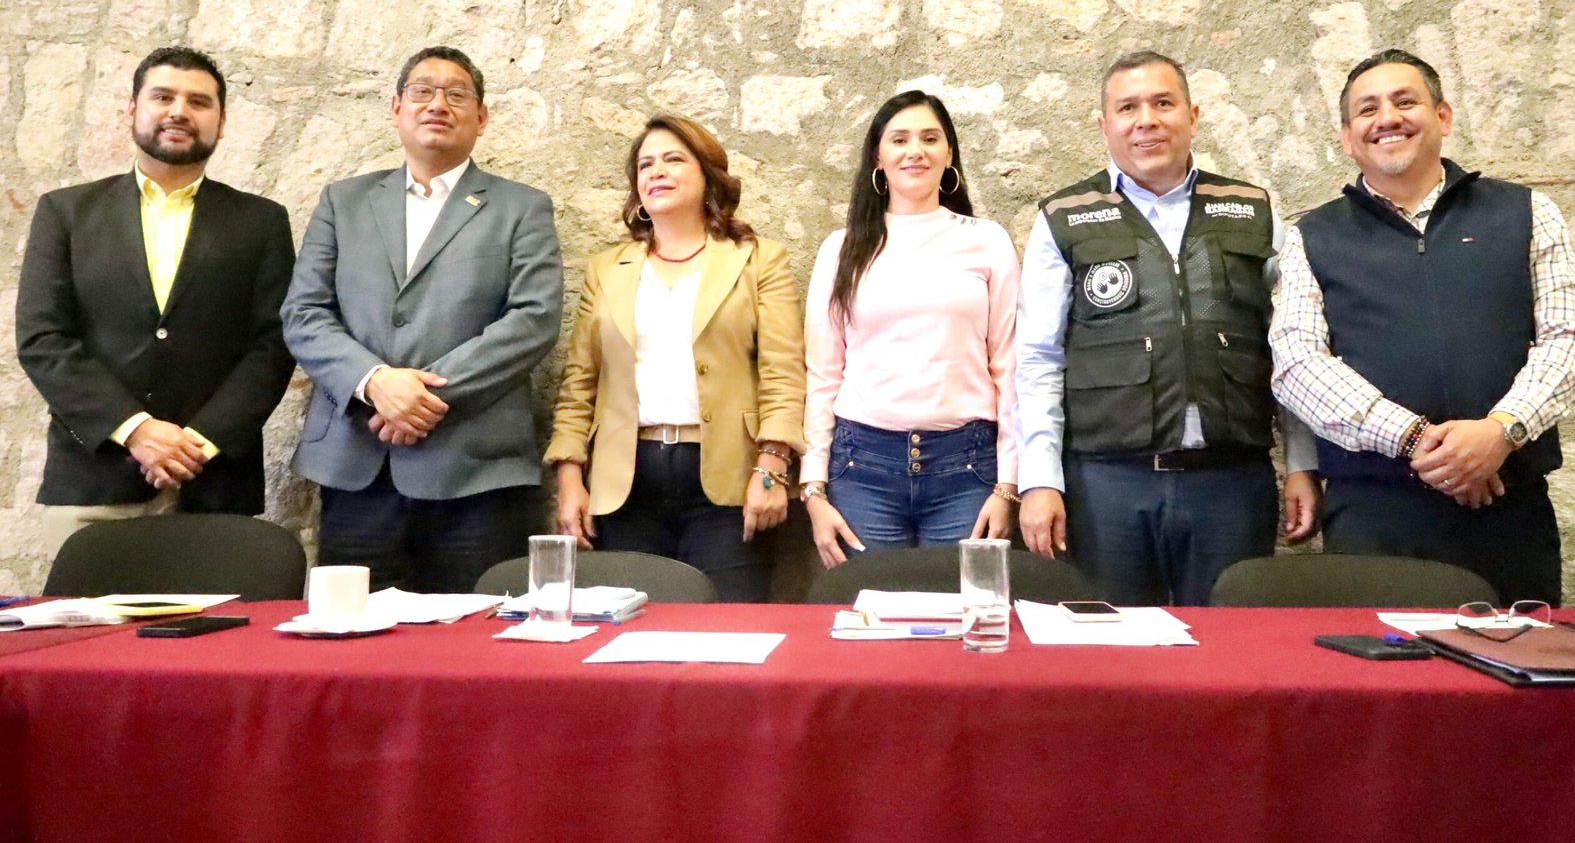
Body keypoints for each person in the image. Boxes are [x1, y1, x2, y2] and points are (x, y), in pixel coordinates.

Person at [1271, 49, 1575, 604]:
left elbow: (1573, 335)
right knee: (1376, 661)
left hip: (1507, 510)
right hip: (1374, 517)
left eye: (1406, 101)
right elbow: (1297, 362)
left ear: (1442, 116)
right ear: (1348, 137)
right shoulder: (1313, 236)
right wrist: (1418, 440)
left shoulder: (1525, 212)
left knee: (1518, 656)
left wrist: (1500, 431)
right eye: (1367, 109)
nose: (1388, 118)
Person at [1015, 51, 1320, 606]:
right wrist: (1039, 479)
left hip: (1229, 482)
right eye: (1127, 107)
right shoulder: (1065, 217)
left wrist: (1303, 464)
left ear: (1192, 116)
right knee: (1113, 645)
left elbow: (1293, 350)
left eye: (1162, 103)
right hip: (1106, 484)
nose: (1146, 120)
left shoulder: (1252, 211)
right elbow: (1039, 357)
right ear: (1104, 125)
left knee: (1230, 642)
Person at [281, 45, 563, 593]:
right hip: (357, 467)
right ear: (396, 108)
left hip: (476, 472)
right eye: (422, 92)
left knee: (476, 635)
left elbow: (533, 318)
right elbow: (304, 312)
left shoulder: (521, 207)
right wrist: (374, 383)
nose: (438, 104)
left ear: (481, 117)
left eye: (456, 94)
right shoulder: (344, 202)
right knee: (357, 634)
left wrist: (421, 398)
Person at [16, 46, 296, 557]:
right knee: (85, 613)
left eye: (199, 102)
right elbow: (43, 340)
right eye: (163, 97)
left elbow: (274, 346)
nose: (179, 112)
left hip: (214, 486)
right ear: (132, 110)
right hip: (95, 482)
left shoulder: (262, 222)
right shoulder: (66, 213)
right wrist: (137, 431)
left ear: (221, 122)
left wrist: (199, 443)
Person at [545, 115, 805, 602]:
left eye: (673, 159)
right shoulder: (607, 269)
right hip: (627, 484)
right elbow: (580, 383)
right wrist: (569, 476)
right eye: (645, 165)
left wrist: (771, 467)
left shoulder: (757, 260)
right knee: (631, 626)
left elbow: (783, 373)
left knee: (727, 628)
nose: (656, 172)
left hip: (728, 482)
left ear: (708, 175)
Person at [799, 90, 1021, 569]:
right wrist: (813, 487)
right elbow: (823, 374)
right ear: (877, 158)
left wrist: (1009, 484)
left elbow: (1009, 366)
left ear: (949, 154)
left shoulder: (987, 241)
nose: (915, 151)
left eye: (929, 138)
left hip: (968, 468)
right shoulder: (841, 249)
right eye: (899, 140)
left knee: (964, 607)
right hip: (862, 468)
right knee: (867, 608)